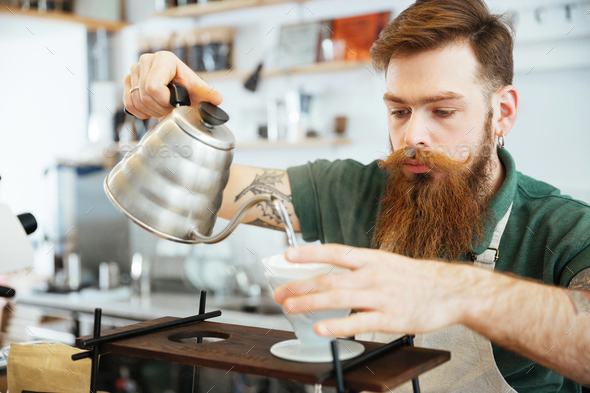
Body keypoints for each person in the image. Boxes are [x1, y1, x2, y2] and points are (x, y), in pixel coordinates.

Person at [123, 0, 590, 391]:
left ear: (502, 112)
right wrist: (177, 116)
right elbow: (204, 188)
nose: (414, 136)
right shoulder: (355, 190)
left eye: (443, 111)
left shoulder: (561, 229)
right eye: (399, 111)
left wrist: (459, 291)